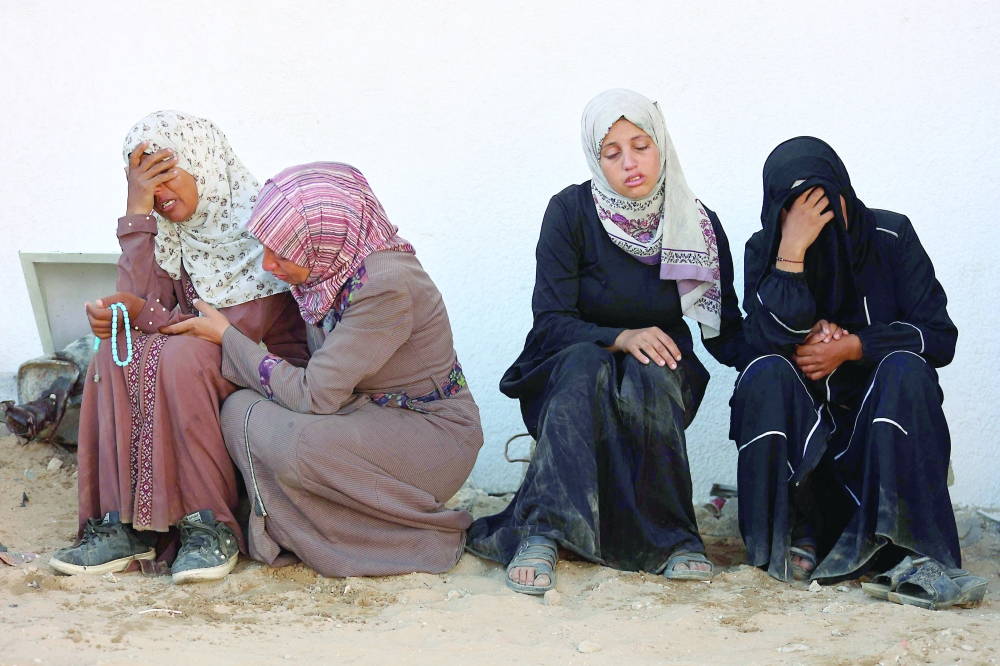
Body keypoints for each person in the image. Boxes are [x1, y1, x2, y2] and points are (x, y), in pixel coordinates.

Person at [467, 89, 747, 595]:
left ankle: (675, 539)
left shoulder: (695, 224)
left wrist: (790, 353)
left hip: (657, 372)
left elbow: (725, 330)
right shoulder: (570, 212)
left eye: (640, 145)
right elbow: (550, 320)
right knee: (583, 365)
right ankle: (542, 532)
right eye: (611, 152)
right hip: (569, 367)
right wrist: (618, 337)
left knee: (654, 367)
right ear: (595, 159)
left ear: (661, 145)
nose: (629, 163)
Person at [164, 162, 483, 577]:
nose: (268, 264)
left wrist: (227, 337)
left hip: (433, 436)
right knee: (241, 410)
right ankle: (303, 529)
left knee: (301, 446)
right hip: (366, 416)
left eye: (280, 252)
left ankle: (422, 538)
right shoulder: (330, 273)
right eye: (265, 248)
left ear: (323, 238)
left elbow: (314, 394)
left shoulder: (386, 285)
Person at [50, 111, 309, 584]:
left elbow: (226, 331)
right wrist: (136, 217)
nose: (160, 193)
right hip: (199, 354)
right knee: (116, 347)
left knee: (183, 356)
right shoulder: (174, 236)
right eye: (144, 182)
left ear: (203, 164)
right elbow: (146, 307)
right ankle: (126, 525)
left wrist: (144, 312)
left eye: (164, 173)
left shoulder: (256, 226)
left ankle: (210, 526)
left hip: (267, 367)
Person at [731, 137, 986, 609]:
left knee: (907, 368)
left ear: (847, 192)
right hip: (812, 450)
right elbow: (756, 344)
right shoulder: (765, 250)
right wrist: (791, 253)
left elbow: (939, 337)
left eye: (830, 205)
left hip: (879, 444)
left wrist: (854, 347)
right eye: (802, 213)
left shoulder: (891, 237)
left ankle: (912, 548)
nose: (822, 223)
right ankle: (794, 535)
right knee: (764, 371)